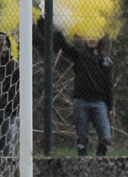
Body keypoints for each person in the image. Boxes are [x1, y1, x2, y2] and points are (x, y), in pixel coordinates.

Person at [43, 19, 115, 156]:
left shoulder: (106, 62)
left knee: (106, 138)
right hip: (81, 101)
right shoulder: (79, 56)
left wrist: (110, 106)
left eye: (95, 36)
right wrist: (59, 28)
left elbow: (109, 86)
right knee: (82, 137)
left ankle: (99, 161)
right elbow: (64, 45)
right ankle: (83, 163)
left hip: (99, 102)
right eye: (89, 35)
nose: (92, 38)